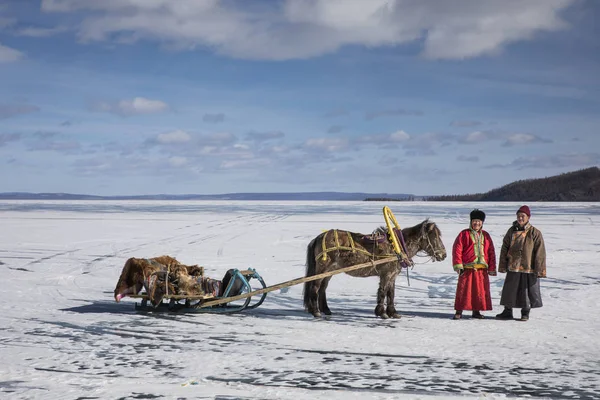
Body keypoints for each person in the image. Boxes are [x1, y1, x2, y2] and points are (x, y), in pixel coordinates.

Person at [496, 205, 546, 321]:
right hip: (513, 265)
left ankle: (525, 312)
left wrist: (539, 269)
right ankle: (507, 311)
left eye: (523, 216)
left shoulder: (535, 232)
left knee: (526, 290)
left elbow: (540, 252)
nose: (520, 218)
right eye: (518, 216)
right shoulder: (511, 231)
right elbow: (505, 247)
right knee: (510, 289)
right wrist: (503, 264)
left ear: (528, 217)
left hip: (528, 267)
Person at [452, 209, 496, 319]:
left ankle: (476, 311)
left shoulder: (486, 235)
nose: (477, 223)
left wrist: (492, 267)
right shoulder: (464, 234)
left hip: (481, 269)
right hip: (467, 268)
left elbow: (491, 252)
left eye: (479, 221)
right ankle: (459, 311)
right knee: (463, 291)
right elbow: (457, 249)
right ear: (471, 222)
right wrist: (458, 265)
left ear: (482, 223)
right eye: (474, 221)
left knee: (479, 291)